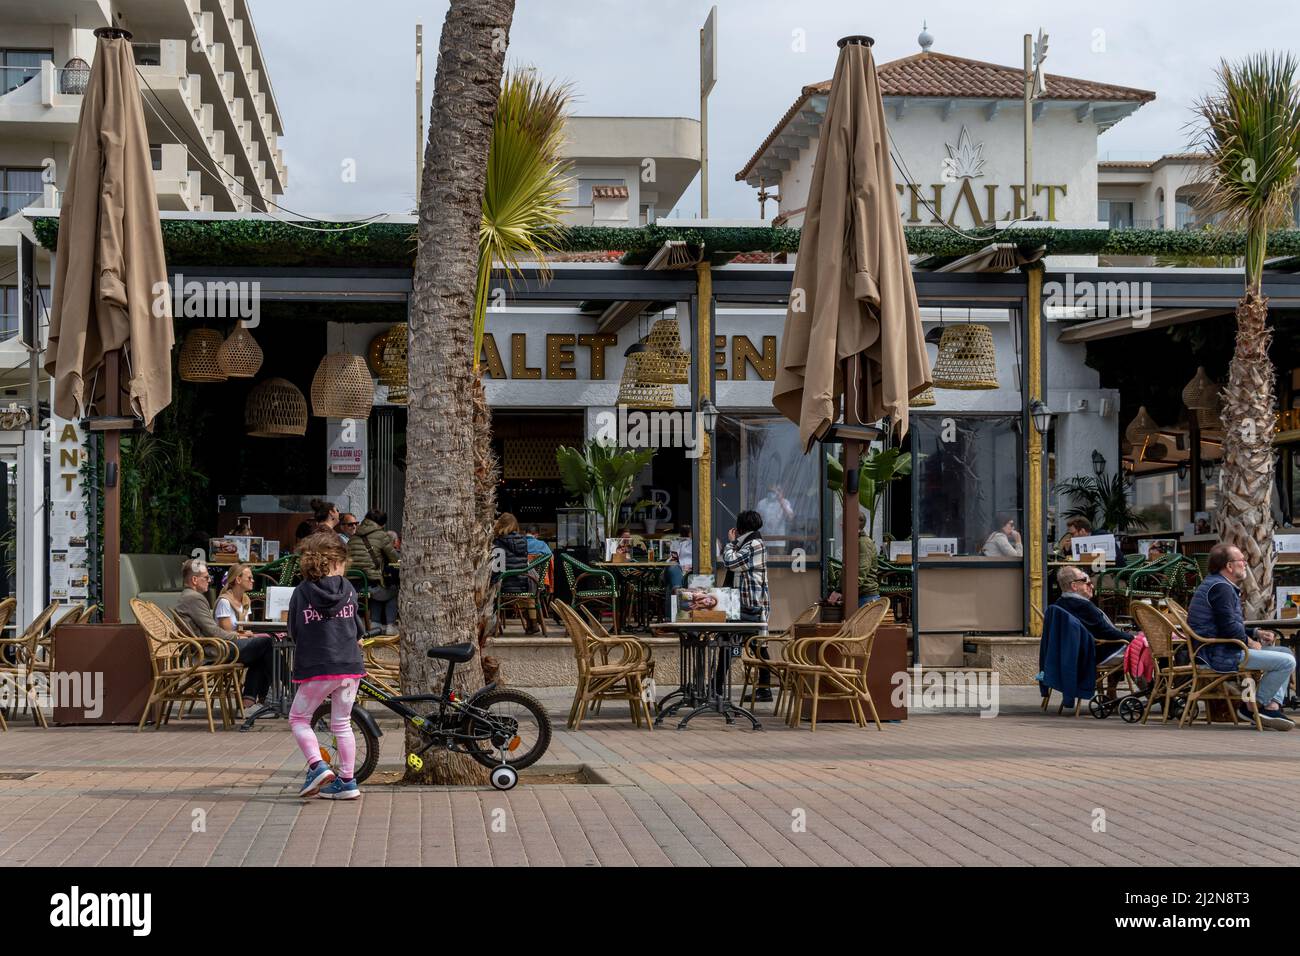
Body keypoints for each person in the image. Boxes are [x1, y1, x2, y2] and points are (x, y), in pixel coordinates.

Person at [287, 532, 366, 799]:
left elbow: (294, 630)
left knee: (299, 718)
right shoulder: (350, 589)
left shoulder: (302, 592)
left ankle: (317, 765)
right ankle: (347, 781)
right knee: (342, 723)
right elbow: (357, 628)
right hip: (349, 667)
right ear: (337, 561)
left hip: (318, 667)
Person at [1187, 543, 1295, 730]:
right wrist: (1251, 642)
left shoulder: (1217, 584)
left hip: (1221, 648)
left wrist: (1255, 633)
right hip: (1220, 654)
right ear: (1229, 566)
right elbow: (1229, 628)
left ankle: (1272, 706)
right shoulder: (1221, 588)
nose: (1245, 564)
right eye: (1242, 561)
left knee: (1285, 651)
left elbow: (1225, 624)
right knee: (1286, 662)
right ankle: (1254, 707)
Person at [175, 558, 273, 710]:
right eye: (206, 577)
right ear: (194, 580)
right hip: (212, 652)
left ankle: (250, 698)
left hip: (212, 648)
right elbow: (213, 631)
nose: (209, 580)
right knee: (267, 644)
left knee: (262, 648)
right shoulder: (194, 599)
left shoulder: (188, 597)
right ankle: (284, 691)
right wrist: (238, 636)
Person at [1054, 565, 1134, 696]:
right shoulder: (1084, 607)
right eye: (1087, 582)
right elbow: (1107, 632)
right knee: (1139, 649)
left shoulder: (1059, 604)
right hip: (1093, 654)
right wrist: (1133, 638)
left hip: (1075, 653)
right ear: (1074, 586)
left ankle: (1111, 693)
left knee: (1131, 644)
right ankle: (1152, 692)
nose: (1092, 586)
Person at [721, 510, 771, 701]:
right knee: (757, 646)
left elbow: (731, 562)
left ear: (740, 527)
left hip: (751, 606)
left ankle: (717, 687)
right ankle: (763, 688)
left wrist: (731, 542)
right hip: (745, 605)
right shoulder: (751, 543)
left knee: (753, 646)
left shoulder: (754, 544)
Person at [347, 510, 401, 634]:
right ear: (382, 525)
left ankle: (375, 625)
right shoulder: (381, 536)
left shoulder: (354, 537)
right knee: (393, 590)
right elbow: (394, 558)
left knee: (377, 590)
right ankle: (390, 626)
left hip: (352, 586)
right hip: (370, 586)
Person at [755, 485, 794, 552]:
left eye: (774, 491)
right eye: (770, 491)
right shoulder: (762, 503)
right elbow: (756, 520)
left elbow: (790, 517)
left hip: (779, 541)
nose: (771, 493)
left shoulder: (785, 502)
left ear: (780, 492)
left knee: (779, 561)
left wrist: (781, 501)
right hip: (765, 540)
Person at [857, 511, 880, 607]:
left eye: (844, 521)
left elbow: (861, 571)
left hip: (865, 598)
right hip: (861, 596)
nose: (841, 524)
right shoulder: (858, 541)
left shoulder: (864, 543)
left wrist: (844, 591)